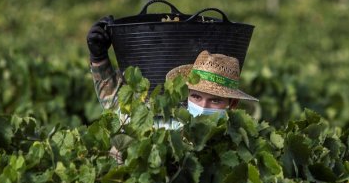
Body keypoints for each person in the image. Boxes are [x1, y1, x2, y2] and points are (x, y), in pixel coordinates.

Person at [87, 16, 258, 121]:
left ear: (232, 104)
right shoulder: (169, 125)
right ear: (187, 94)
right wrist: (99, 57)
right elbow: (116, 104)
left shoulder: (236, 141)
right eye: (196, 96)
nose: (203, 106)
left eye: (215, 100)